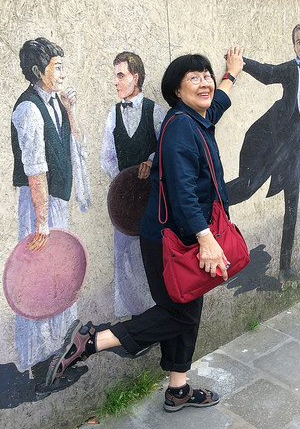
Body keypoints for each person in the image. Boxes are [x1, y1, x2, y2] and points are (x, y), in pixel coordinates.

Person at [44, 47, 245, 412]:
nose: (205, 83)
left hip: (181, 235)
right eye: (194, 78)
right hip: (172, 238)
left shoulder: (196, 117)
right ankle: (92, 341)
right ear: (177, 91)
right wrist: (206, 239)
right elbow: (182, 192)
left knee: (187, 307)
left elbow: (217, 104)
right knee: (179, 313)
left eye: (207, 76)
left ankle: (177, 391)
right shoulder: (180, 127)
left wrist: (230, 74)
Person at [226, 24, 300, 282]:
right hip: (275, 148)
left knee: (292, 209)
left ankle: (285, 267)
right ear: (293, 45)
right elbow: (267, 73)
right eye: (298, 42)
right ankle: (213, 198)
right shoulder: (288, 69)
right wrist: (242, 63)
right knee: (248, 186)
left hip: (294, 153)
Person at [11, 37, 91, 371]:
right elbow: (35, 170)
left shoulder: (57, 102)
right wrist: (42, 222)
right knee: (38, 277)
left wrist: (70, 111)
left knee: (60, 272)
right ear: (37, 71)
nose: (62, 74)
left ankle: (61, 348)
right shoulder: (28, 109)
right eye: (56, 67)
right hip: (38, 206)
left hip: (56, 202)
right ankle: (39, 359)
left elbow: (74, 145)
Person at [101, 52, 165, 317]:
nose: (115, 82)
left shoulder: (155, 111)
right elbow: (107, 157)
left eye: (120, 75)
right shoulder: (113, 114)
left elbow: (167, 149)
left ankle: (154, 315)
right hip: (125, 207)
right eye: (115, 76)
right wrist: (124, 183)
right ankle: (132, 319)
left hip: (152, 204)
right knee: (123, 262)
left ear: (135, 77)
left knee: (150, 260)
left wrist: (151, 161)